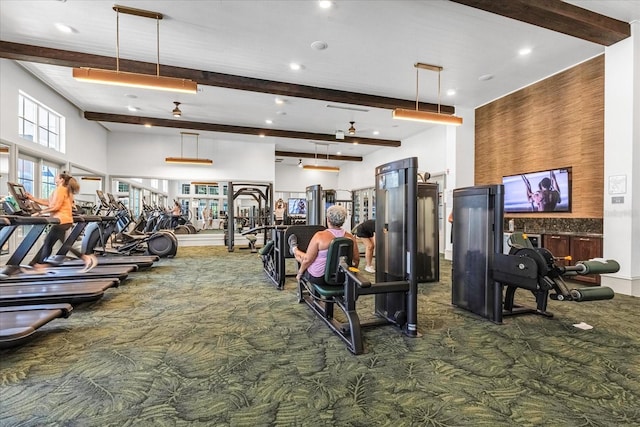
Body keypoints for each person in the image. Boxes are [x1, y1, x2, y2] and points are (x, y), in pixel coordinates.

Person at [25, 172, 97, 273]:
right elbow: (50, 202)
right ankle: (38, 264)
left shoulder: (61, 189)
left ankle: (40, 265)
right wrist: (33, 198)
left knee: (49, 243)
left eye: (57, 176)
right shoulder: (64, 190)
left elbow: (55, 207)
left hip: (61, 221)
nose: (55, 177)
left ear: (61, 179)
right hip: (64, 221)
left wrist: (40, 212)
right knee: (51, 243)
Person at [288, 205, 360, 284]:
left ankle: (294, 249)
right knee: (307, 258)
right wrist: (351, 275)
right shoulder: (350, 238)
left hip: (319, 278)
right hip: (341, 277)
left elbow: (307, 260)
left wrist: (300, 273)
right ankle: (294, 249)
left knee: (302, 258)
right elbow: (356, 260)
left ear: (328, 219)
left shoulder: (319, 236)